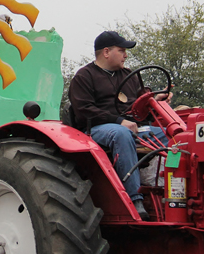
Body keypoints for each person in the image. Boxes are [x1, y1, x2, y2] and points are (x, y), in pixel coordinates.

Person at [68, 30, 170, 221]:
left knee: (170, 135)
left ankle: (171, 191)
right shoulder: (84, 76)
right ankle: (135, 198)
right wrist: (119, 120)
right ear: (106, 52)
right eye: (122, 50)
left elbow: (140, 104)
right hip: (96, 129)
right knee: (121, 134)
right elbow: (84, 110)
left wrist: (156, 99)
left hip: (133, 127)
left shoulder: (129, 75)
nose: (126, 55)